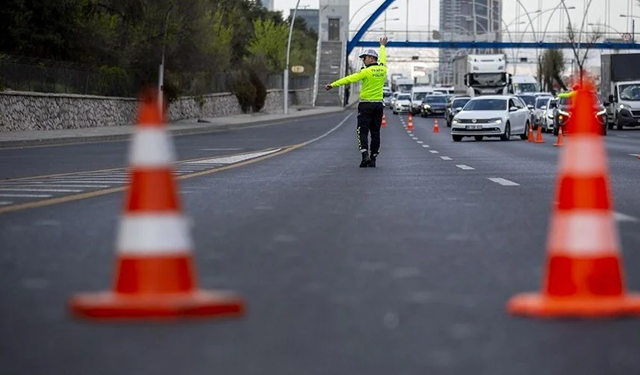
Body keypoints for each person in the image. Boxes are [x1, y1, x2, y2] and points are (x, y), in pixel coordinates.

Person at [325, 37, 388, 168]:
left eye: (364, 58)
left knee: (362, 131)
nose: (363, 61)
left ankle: (365, 155)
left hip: (366, 105)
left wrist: (333, 84)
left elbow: (349, 79)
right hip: (378, 105)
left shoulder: (365, 72)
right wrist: (382, 46)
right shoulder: (383, 69)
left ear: (371, 58)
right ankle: (374, 157)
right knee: (375, 132)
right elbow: (383, 58)